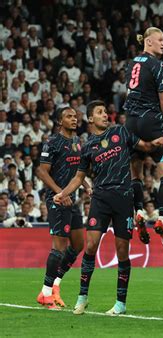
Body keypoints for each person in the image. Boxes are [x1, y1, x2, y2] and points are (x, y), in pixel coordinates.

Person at [53, 101, 163, 315]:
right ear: (90, 119)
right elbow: (79, 177)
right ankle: (82, 297)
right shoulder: (87, 147)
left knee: (122, 251)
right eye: (99, 112)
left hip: (124, 199)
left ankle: (120, 303)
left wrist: (156, 142)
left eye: (105, 112)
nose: (105, 115)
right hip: (101, 199)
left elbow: (144, 146)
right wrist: (63, 193)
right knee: (90, 246)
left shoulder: (121, 133)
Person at [123, 27, 163, 250]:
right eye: (160, 39)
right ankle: (161, 218)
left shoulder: (132, 63)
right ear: (149, 41)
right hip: (152, 121)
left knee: (137, 172)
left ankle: (140, 211)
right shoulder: (158, 65)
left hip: (131, 122)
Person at [35, 107, 87, 309]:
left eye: (75, 116)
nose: (74, 119)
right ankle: (45, 293)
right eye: (68, 116)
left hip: (71, 199)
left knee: (78, 244)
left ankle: (56, 284)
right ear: (59, 121)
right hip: (57, 199)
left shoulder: (76, 142)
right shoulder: (53, 142)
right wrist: (60, 193)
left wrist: (87, 187)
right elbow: (41, 171)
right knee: (59, 246)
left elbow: (78, 172)